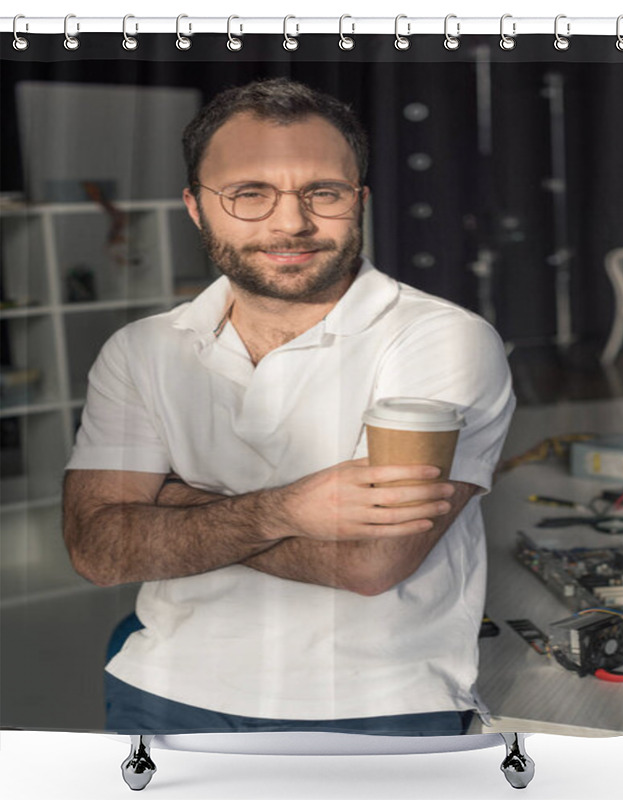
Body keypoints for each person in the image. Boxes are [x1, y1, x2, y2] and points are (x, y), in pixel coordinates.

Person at [62, 78, 515, 736]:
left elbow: (369, 564)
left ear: (357, 200)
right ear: (196, 206)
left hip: (376, 703)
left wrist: (173, 503)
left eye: (322, 193)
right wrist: (287, 508)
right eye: (250, 194)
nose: (290, 223)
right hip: (161, 684)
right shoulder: (141, 350)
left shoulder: (443, 339)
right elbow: (99, 551)